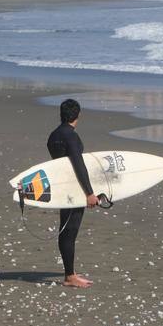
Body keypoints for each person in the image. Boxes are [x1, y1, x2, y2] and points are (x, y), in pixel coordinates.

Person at [47, 99, 98, 288]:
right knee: (70, 231)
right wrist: (89, 193)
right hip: (74, 188)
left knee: (66, 228)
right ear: (78, 115)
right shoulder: (71, 136)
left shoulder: (53, 135)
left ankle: (71, 271)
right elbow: (78, 164)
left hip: (62, 186)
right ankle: (69, 276)